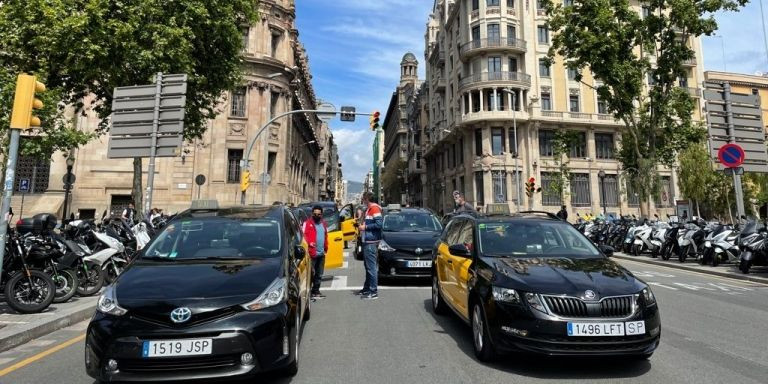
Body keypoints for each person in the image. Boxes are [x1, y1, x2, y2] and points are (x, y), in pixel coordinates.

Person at [357, 191, 383, 300]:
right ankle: (367, 288)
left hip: (371, 242)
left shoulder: (374, 209)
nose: (362, 200)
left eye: (363, 198)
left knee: (371, 267)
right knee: (368, 267)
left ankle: (373, 291)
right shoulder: (368, 209)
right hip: (367, 241)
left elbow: (379, 224)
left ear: (367, 199)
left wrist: (365, 228)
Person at [302, 206, 329, 300]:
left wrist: (326, 248)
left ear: (321, 214)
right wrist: (309, 243)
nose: (316, 215)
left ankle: (316, 291)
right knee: (310, 274)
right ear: (312, 214)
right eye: (315, 214)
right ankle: (308, 293)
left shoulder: (324, 224)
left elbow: (326, 236)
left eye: (319, 214)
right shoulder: (307, 223)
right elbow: (303, 235)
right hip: (311, 253)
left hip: (321, 254)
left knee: (319, 274)